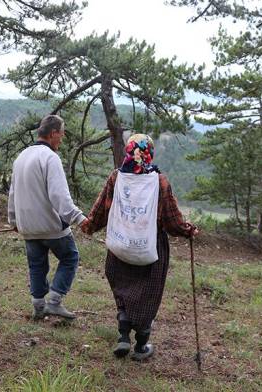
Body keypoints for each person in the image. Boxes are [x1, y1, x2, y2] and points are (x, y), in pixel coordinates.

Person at [81, 133, 199, 361]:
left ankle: (123, 336)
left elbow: (101, 210)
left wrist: (88, 226)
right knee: (148, 294)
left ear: (129, 151)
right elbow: (172, 220)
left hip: (120, 244)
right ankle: (141, 346)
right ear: (150, 153)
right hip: (150, 247)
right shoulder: (160, 181)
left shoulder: (116, 178)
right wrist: (188, 230)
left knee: (123, 288)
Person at [8, 114, 86, 320]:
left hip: (27, 226)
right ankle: (54, 301)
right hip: (50, 225)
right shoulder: (50, 158)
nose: (62, 138)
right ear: (53, 134)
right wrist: (78, 218)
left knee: (36, 265)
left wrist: (13, 220)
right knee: (70, 257)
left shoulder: (21, 156)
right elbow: (59, 195)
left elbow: (13, 193)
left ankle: (38, 307)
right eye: (61, 133)